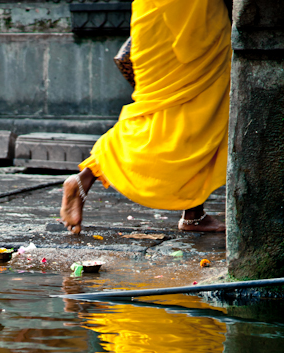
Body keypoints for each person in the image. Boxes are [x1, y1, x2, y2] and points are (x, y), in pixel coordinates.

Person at [60, 0, 232, 234]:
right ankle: (85, 177)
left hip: (159, 17)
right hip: (190, 17)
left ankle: (194, 214)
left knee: (182, 115)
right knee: (192, 113)